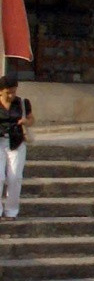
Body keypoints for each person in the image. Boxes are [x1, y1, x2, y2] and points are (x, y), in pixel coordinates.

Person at [0, 74, 33, 218]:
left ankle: (12, 210)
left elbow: (32, 119)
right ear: (1, 91)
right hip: (0, 141)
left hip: (16, 142)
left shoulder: (22, 103)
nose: (12, 95)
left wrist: (26, 121)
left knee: (15, 177)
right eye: (8, 92)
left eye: (14, 91)